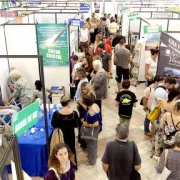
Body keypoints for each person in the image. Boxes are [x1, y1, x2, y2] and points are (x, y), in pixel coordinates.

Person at [51, 96, 79, 165]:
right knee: (71, 149)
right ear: (68, 103)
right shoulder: (74, 114)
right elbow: (76, 125)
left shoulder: (56, 114)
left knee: (62, 150)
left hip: (61, 135)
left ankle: (63, 164)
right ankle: (73, 164)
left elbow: (53, 125)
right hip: (71, 135)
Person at [82, 94, 102, 165]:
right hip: (97, 129)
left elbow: (95, 123)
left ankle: (92, 161)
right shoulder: (95, 105)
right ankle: (94, 156)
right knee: (94, 144)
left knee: (91, 146)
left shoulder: (90, 112)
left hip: (91, 131)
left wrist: (86, 124)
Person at [77, 82, 95, 150]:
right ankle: (83, 143)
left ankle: (85, 145)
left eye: (84, 89)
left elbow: (89, 109)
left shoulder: (90, 97)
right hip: (82, 115)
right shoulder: (84, 95)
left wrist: (81, 104)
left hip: (86, 116)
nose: (83, 90)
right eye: (82, 89)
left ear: (88, 89)